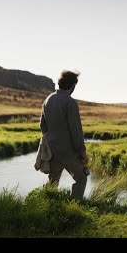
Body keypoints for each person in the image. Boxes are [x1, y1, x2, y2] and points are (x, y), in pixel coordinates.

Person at [39, 70, 89, 199]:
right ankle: (75, 206)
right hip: (69, 152)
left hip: (52, 149)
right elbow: (76, 131)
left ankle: (49, 205)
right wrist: (82, 152)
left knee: (53, 181)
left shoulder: (48, 99)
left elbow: (42, 126)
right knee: (81, 179)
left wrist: (51, 140)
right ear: (72, 85)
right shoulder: (70, 102)